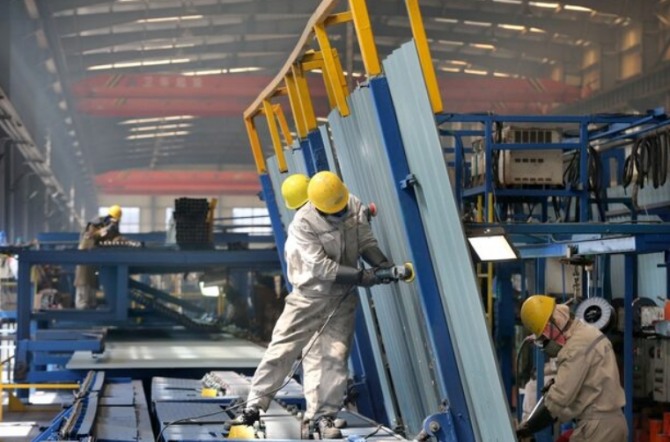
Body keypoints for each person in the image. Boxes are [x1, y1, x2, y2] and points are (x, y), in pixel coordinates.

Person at [234, 171, 396, 439]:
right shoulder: (303, 223)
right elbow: (321, 267)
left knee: (334, 355)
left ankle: (322, 418)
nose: (341, 213)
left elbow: (365, 240)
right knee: (283, 348)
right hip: (309, 295)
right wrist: (361, 276)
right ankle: (254, 406)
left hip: (342, 297)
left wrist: (382, 265)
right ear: (317, 207)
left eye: (343, 207)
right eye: (335, 212)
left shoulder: (351, 203)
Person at [517, 295, 627, 442]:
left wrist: (527, 429)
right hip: (612, 424)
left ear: (550, 326)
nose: (546, 345)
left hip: (597, 429)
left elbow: (558, 400)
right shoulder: (586, 332)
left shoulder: (575, 347)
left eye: (544, 339)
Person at [74, 205, 122, 309]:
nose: (114, 223)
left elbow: (114, 238)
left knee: (92, 282)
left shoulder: (112, 228)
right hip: (85, 257)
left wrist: (118, 239)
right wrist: (104, 230)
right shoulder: (95, 224)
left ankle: (91, 305)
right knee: (84, 280)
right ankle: (82, 306)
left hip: (95, 259)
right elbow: (90, 236)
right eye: (113, 220)